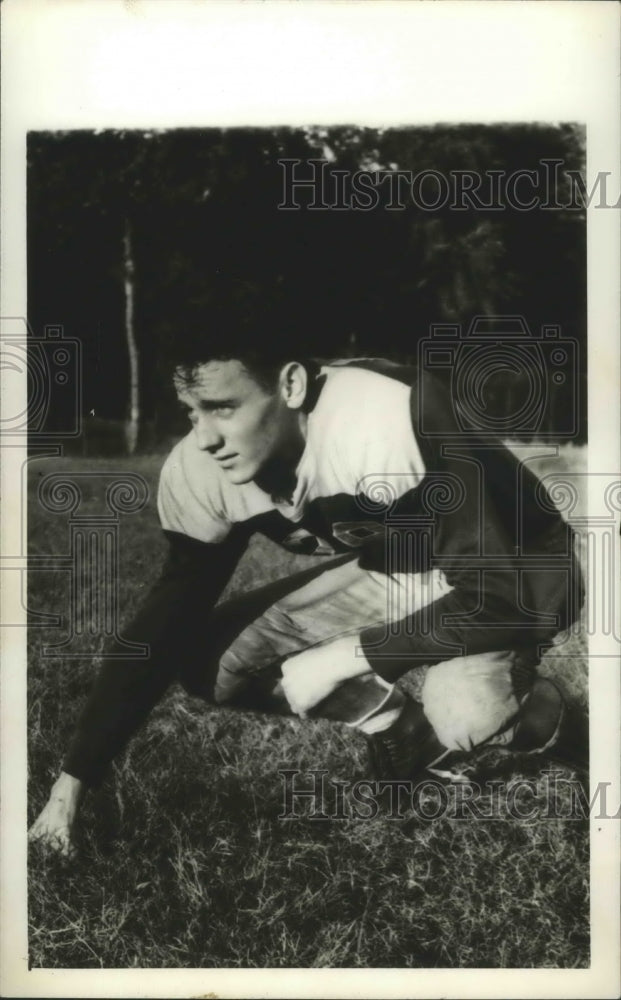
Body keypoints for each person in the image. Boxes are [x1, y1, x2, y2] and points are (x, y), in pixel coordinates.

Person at [29, 292, 586, 857]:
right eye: (191, 412)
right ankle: (399, 730)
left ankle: (576, 733)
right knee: (209, 665)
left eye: (223, 407)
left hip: (521, 567)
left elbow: (499, 596)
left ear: (291, 386)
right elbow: (163, 625)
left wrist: (342, 660)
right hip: (404, 563)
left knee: (470, 712)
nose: (204, 436)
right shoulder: (204, 466)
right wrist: (70, 787)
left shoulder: (385, 414)